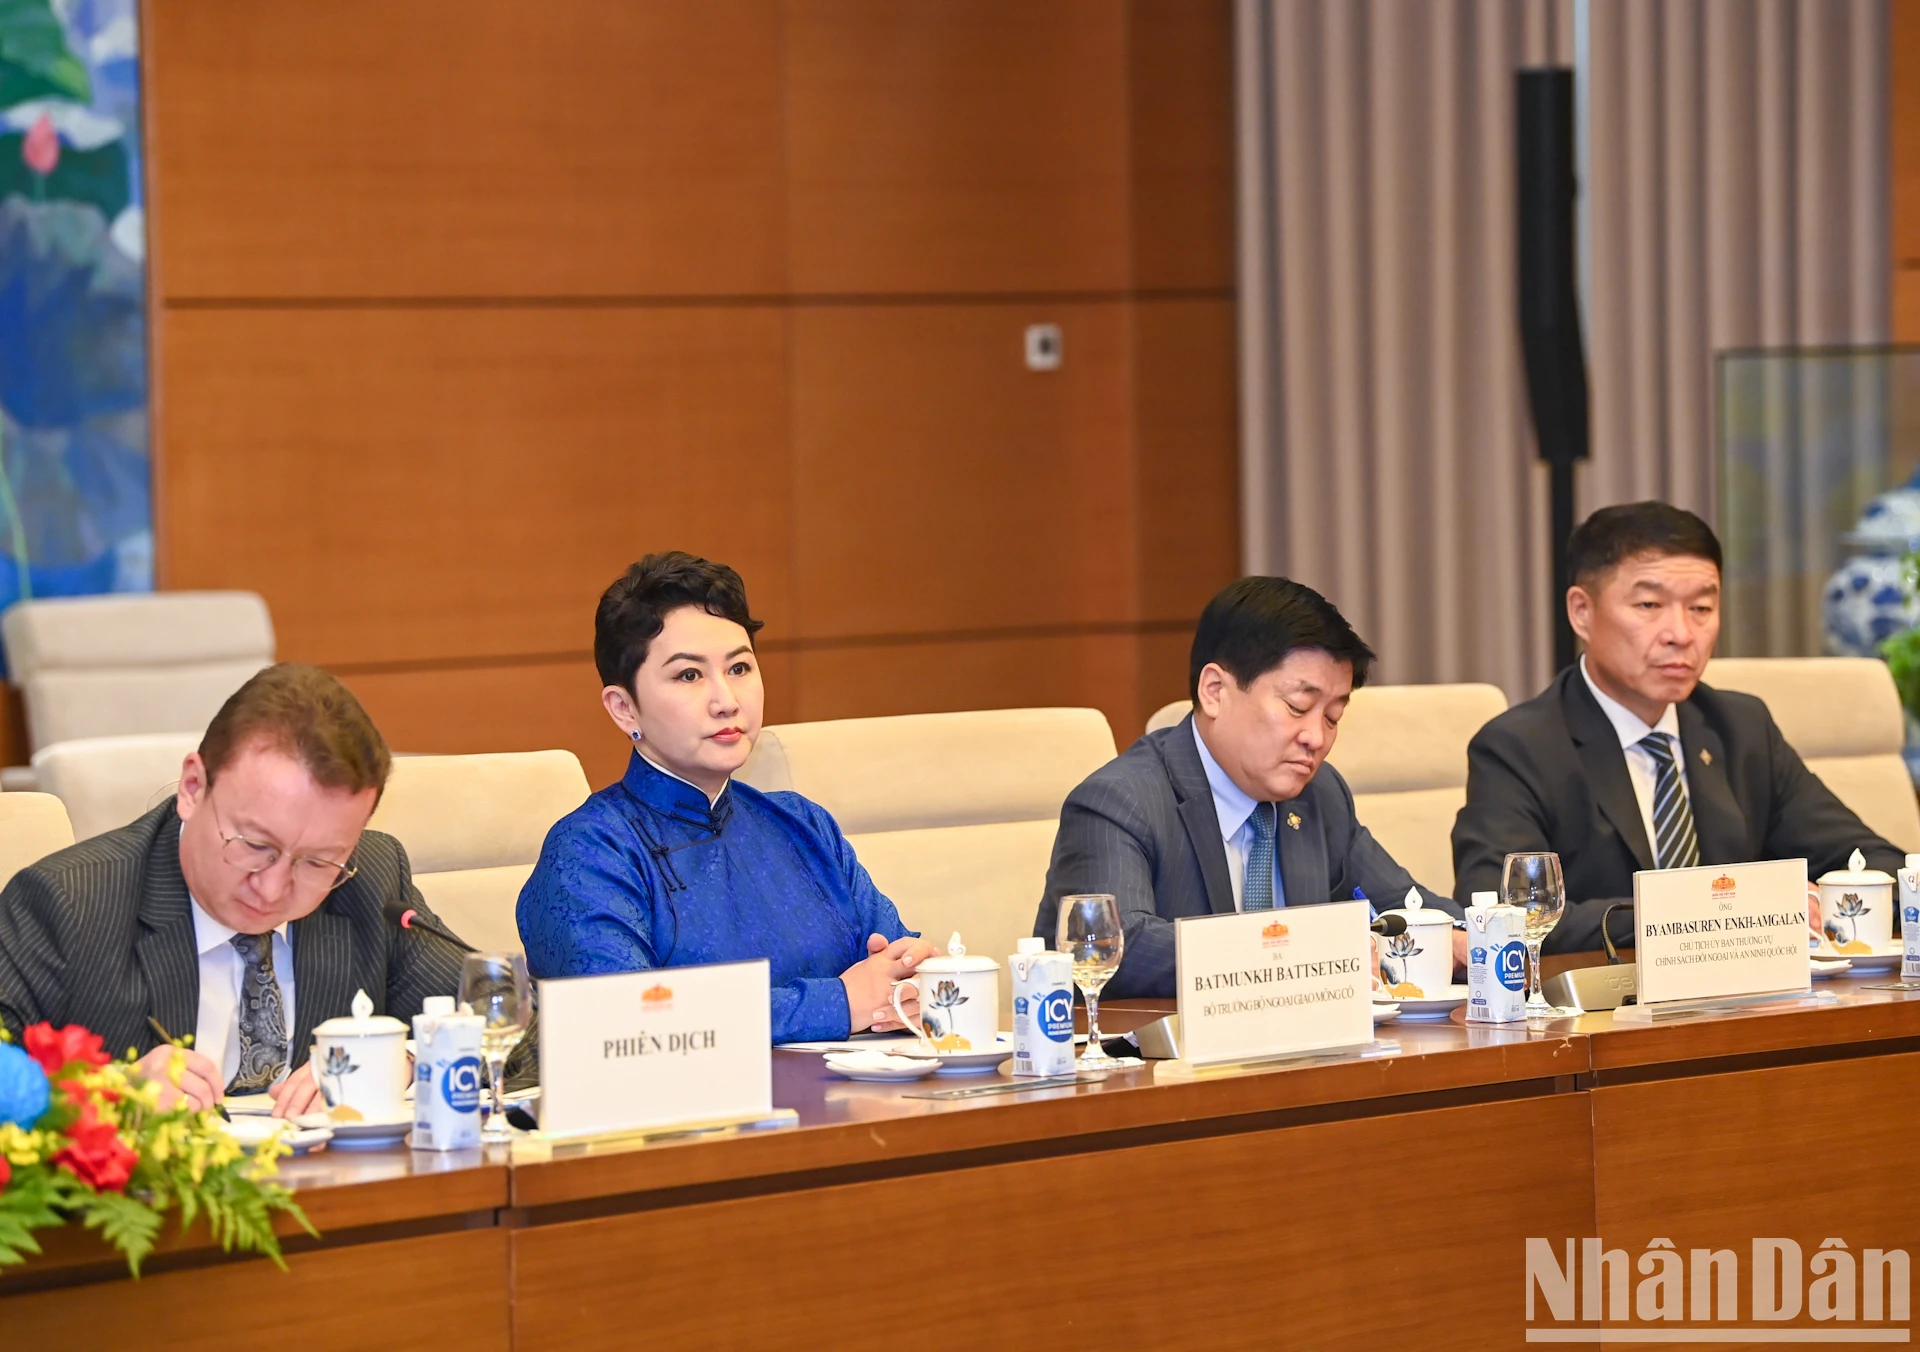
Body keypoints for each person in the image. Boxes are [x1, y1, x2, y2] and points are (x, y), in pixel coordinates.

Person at [0, 663, 468, 1117]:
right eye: (255, 844)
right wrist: (110, 1095)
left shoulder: (372, 884)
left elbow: (513, 1027)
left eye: (317, 862)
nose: (272, 888)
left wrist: (406, 1061)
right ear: (192, 787)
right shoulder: (70, 904)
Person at [516, 552, 936, 1044]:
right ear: (624, 707)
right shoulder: (590, 850)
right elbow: (625, 1026)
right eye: (689, 676)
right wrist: (837, 1002)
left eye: (739, 668)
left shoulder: (802, 823)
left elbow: (899, 966)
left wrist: (917, 983)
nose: (727, 701)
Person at [1452, 501, 1900, 953]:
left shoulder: (1740, 728)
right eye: (1649, 604)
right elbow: (1496, 916)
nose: (1681, 634)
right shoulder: (1519, 747)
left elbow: (1876, 866)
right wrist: (1717, 914)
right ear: (1581, 612)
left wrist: (1823, 901)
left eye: (1702, 608)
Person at [1036, 576, 1465, 1000]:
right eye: (1297, 707)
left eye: (1332, 717)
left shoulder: (1320, 795)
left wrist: (1469, 935)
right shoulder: (1119, 803)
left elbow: (1403, 905)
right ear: (1215, 691)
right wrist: (1298, 951)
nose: (1316, 738)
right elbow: (1116, 948)